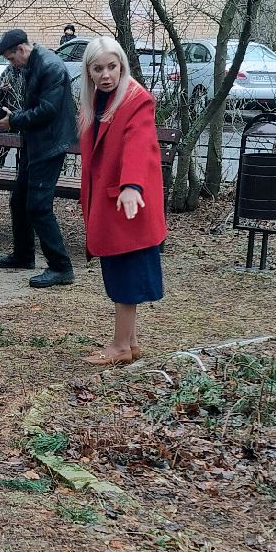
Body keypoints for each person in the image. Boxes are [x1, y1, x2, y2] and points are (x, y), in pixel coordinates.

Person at [76, 38, 167, 364]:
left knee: (125, 277)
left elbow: (138, 144)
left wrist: (131, 186)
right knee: (119, 272)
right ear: (88, 70)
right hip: (111, 203)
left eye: (112, 67)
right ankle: (130, 343)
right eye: (98, 68)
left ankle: (119, 346)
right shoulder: (95, 101)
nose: (105, 75)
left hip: (128, 203)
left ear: (122, 66)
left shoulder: (135, 99)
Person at [0, 28, 77, 288]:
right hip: (37, 143)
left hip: (49, 146)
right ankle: (24, 255)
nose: (11, 63)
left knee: (39, 206)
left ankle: (61, 267)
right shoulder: (36, 63)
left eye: (10, 57)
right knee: (19, 201)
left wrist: (13, 120)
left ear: (21, 50)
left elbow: (47, 110)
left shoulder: (50, 66)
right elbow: (38, 107)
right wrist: (13, 115)